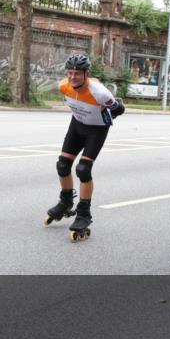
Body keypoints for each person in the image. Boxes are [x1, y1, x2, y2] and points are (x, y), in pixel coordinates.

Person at [45, 53, 125, 241]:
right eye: (70, 73)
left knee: (83, 169)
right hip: (77, 126)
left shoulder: (100, 92)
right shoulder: (64, 86)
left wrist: (115, 110)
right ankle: (65, 202)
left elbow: (118, 109)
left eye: (77, 74)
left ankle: (83, 214)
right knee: (62, 165)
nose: (73, 77)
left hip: (96, 130)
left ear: (86, 74)